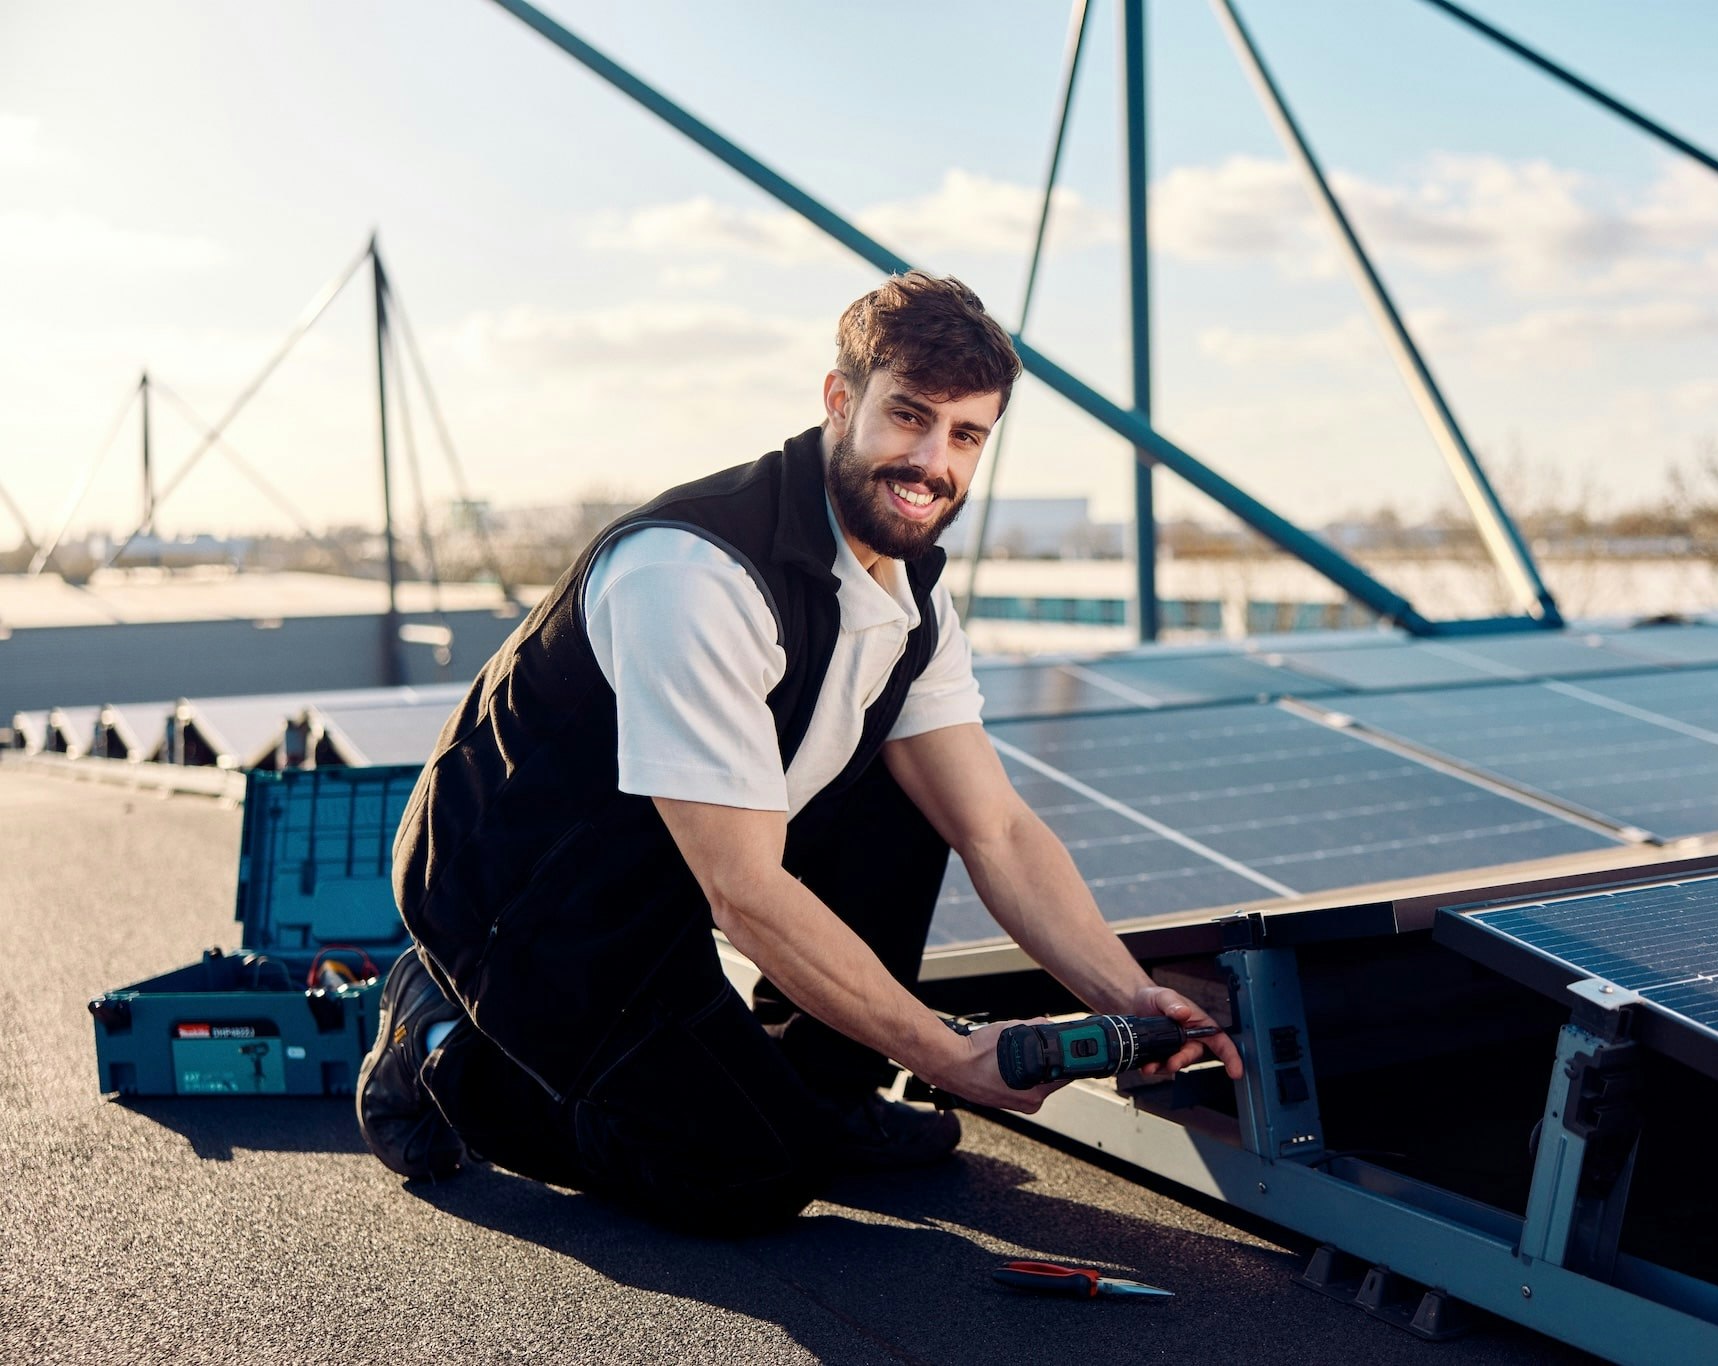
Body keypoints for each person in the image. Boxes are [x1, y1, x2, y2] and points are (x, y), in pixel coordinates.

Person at [356, 271, 1240, 1233]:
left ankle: (821, 1092)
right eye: (909, 417)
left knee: (919, 792)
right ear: (840, 401)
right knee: (746, 1179)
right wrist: (948, 1056)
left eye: (966, 435)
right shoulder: (692, 574)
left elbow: (998, 832)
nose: (932, 461)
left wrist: (1129, 996)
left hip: (673, 865)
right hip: (528, 905)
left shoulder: (910, 598)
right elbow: (744, 891)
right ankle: (442, 1042)